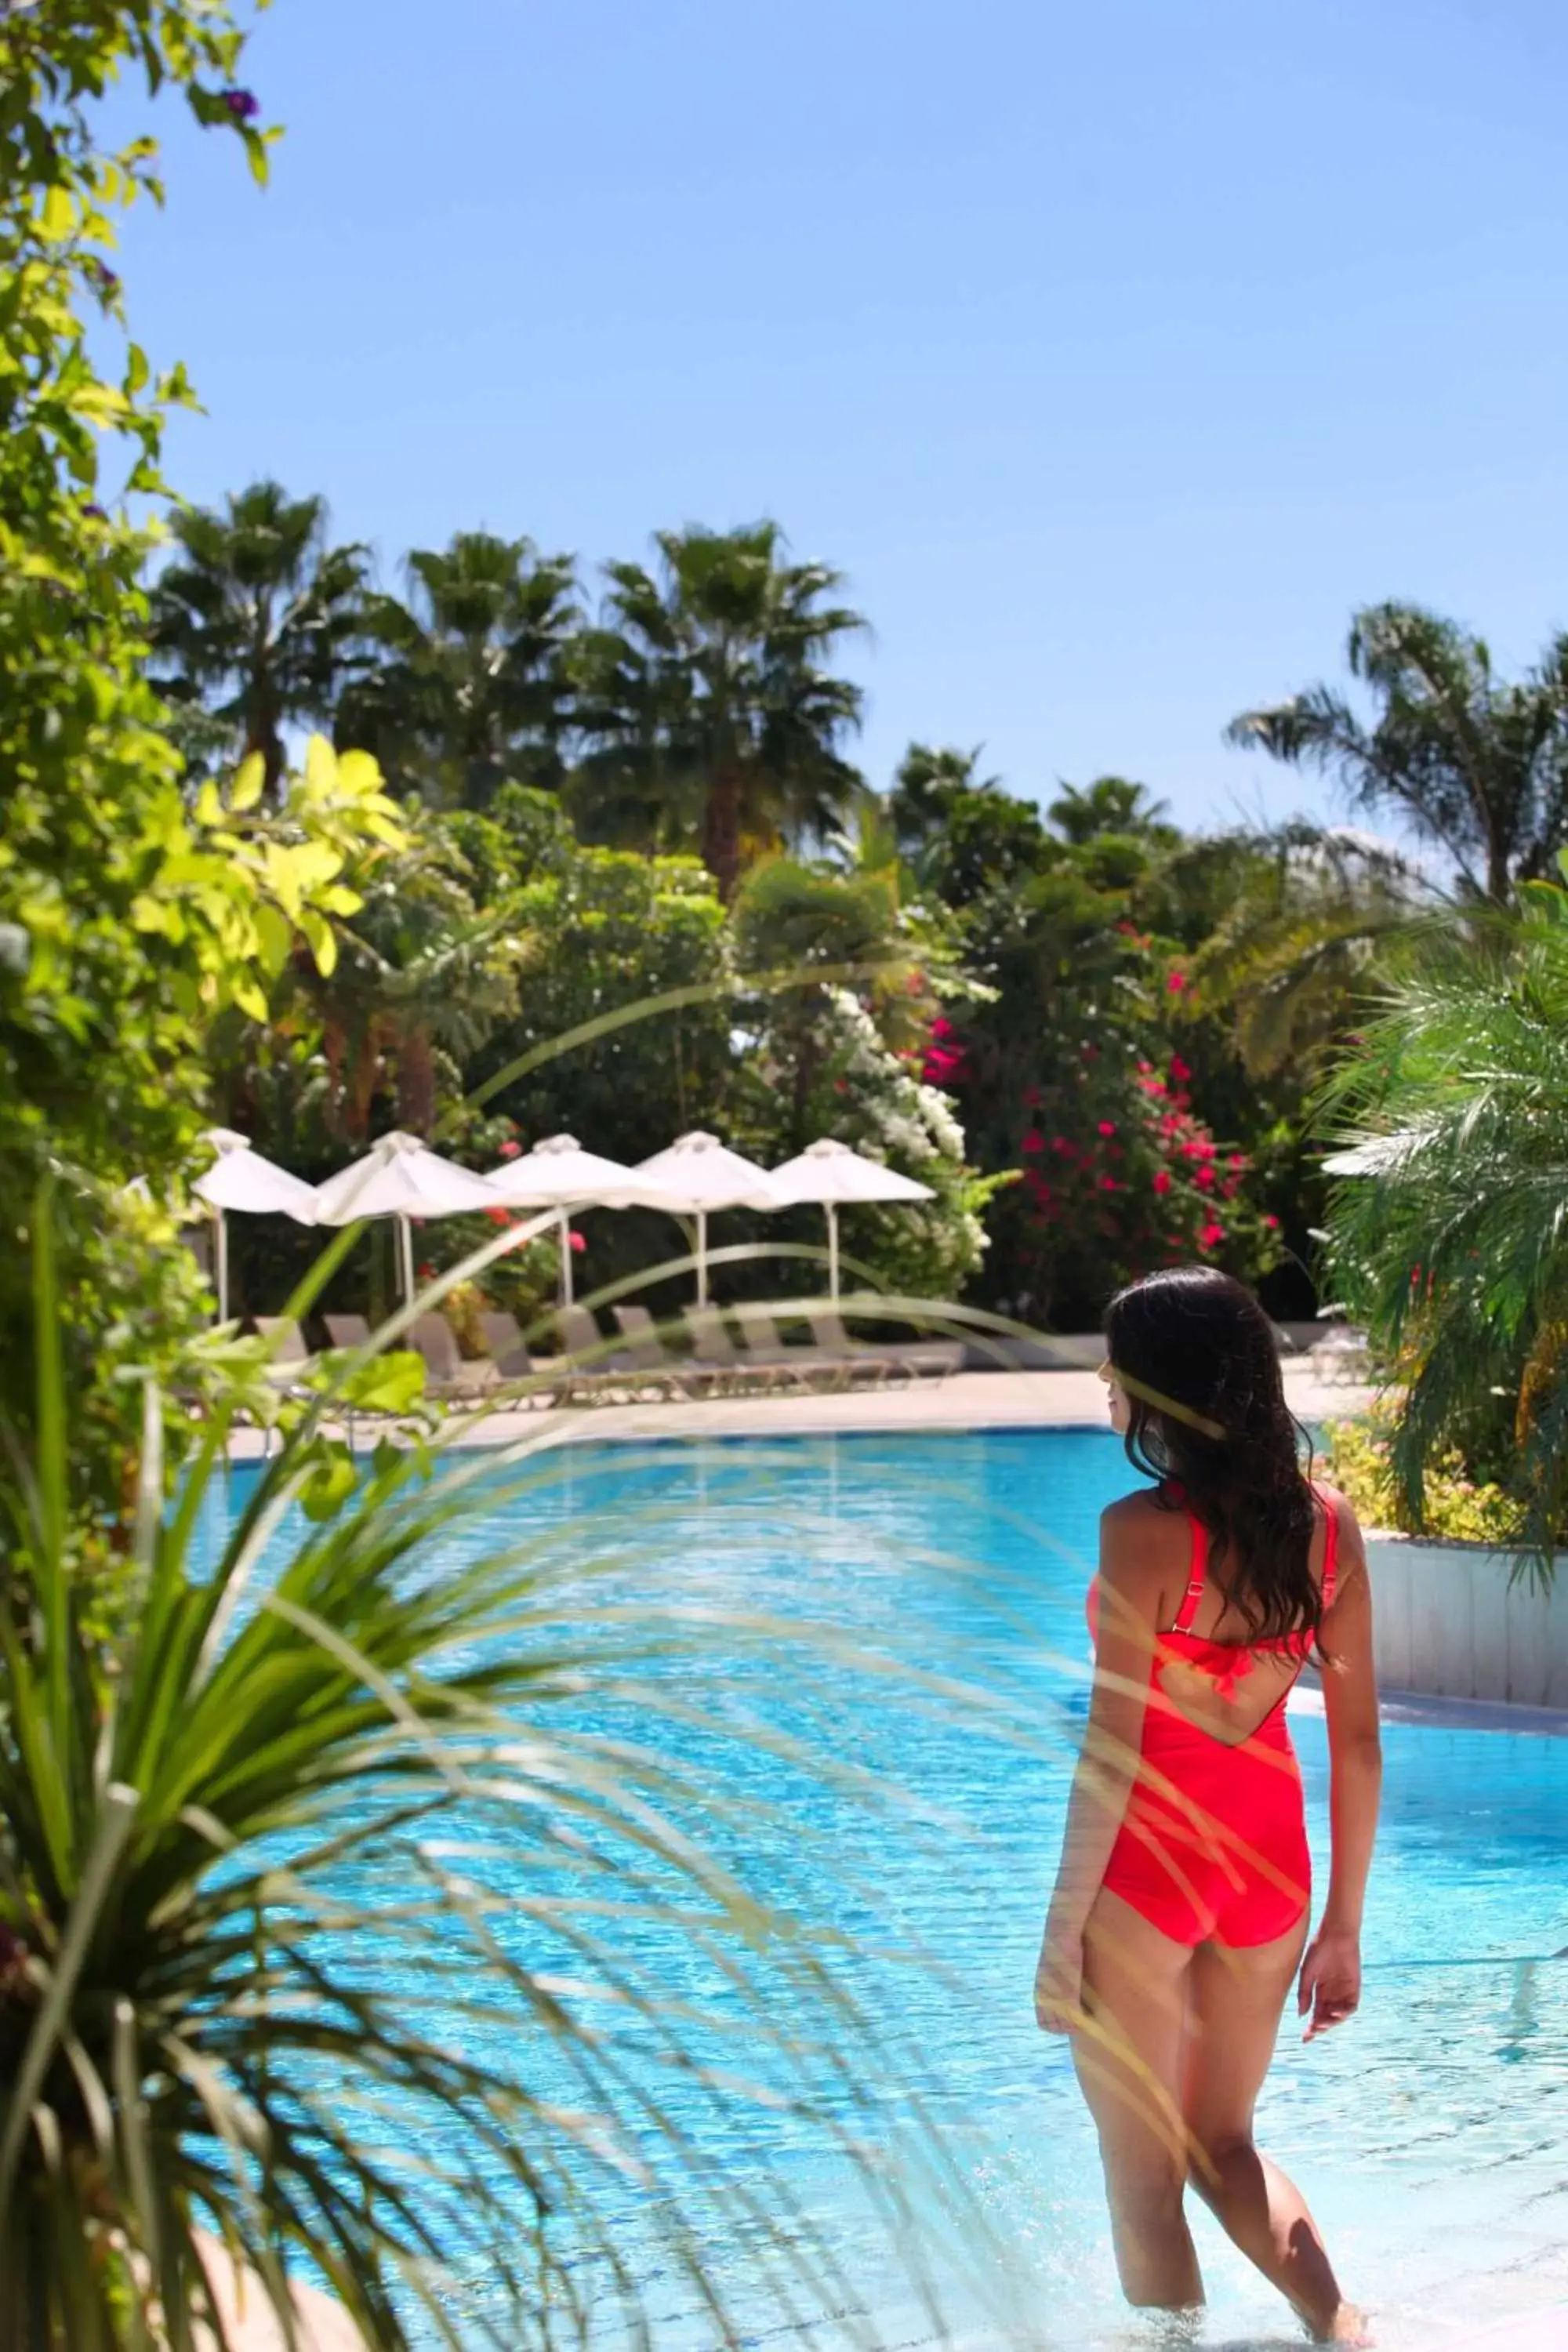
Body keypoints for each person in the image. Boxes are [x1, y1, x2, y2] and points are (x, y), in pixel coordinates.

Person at [1034, 1266, 1381, 2344]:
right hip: (1273, 1871)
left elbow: (1112, 1746)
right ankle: (1347, 2333)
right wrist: (1343, 1932)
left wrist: (1059, 1934)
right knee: (1224, 2143)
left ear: (1162, 1389)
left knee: (1144, 2182)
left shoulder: (1139, 1531)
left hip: (1151, 1875)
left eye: (1117, 1363)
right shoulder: (1328, 1531)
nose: (1104, 1381)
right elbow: (1361, 1746)